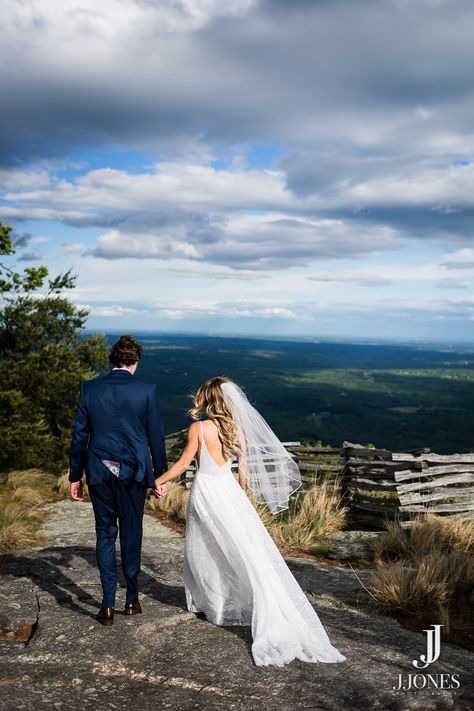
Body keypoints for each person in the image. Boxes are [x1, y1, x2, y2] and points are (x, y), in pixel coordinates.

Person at [152, 376, 346, 667]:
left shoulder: (199, 428)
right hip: (229, 492)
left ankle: (216, 606)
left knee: (202, 549)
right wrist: (242, 500)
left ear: (208, 400)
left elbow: (182, 465)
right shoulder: (236, 430)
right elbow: (243, 472)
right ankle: (244, 602)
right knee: (243, 551)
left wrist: (155, 482)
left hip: (206, 491)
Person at [69, 335, 167, 625]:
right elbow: (156, 438)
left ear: (112, 360)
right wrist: (159, 477)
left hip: (98, 472)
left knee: (105, 534)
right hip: (134, 474)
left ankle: (107, 604)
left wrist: (75, 475)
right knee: (132, 533)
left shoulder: (90, 389)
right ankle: (132, 599)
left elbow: (79, 437)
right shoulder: (146, 390)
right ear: (135, 362)